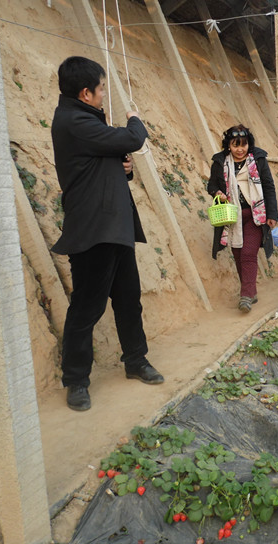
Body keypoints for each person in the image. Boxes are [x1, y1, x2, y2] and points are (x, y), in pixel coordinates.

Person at [51, 56, 164, 412]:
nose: (103, 95)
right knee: (87, 308)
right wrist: (135, 119)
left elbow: (101, 165)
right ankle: (76, 380)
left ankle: (136, 360)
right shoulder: (74, 121)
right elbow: (132, 137)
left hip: (114, 227)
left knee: (128, 299)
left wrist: (123, 168)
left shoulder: (83, 121)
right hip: (93, 231)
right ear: (85, 93)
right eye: (101, 90)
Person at [207, 125, 278, 313]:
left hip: (255, 216)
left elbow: (268, 187)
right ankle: (251, 292)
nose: (240, 149)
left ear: (249, 144)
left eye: (243, 144)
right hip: (232, 217)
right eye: (235, 145)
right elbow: (211, 185)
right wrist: (218, 192)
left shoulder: (258, 159)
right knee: (238, 255)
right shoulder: (220, 162)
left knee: (247, 253)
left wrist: (272, 214)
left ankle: (245, 296)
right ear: (228, 145)